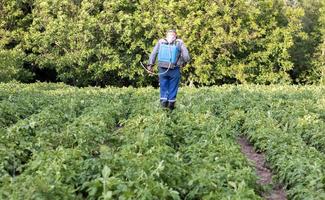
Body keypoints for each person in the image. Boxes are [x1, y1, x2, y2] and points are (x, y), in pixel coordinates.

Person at [147, 29, 190, 110]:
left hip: (162, 68)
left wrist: (150, 65)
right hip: (175, 68)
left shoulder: (161, 41)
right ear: (175, 35)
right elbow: (186, 56)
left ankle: (163, 102)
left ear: (166, 35)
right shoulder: (179, 42)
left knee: (163, 85)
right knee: (173, 86)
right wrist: (184, 63)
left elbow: (153, 53)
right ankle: (171, 105)